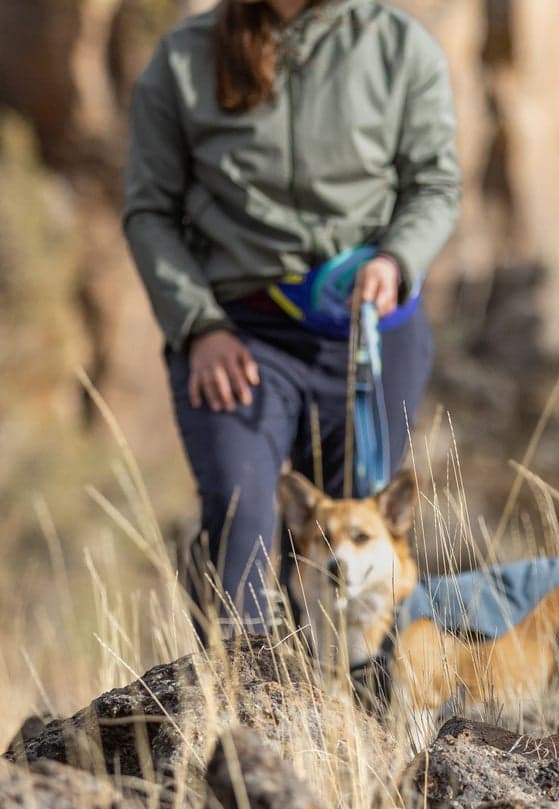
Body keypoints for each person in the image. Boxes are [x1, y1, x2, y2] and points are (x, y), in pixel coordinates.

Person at [122, 0, 460, 636]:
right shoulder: (183, 59)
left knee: (356, 541)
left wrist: (397, 259)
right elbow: (149, 212)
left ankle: (349, 722)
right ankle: (246, 707)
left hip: (369, 335)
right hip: (241, 335)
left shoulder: (398, 46)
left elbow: (434, 186)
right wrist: (199, 326)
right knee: (240, 511)